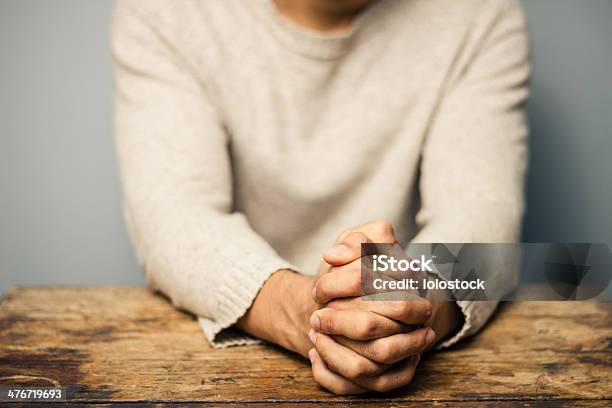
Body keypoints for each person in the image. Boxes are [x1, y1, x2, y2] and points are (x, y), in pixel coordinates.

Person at [111, 0, 529, 394]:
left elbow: (483, 212)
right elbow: (173, 215)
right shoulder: (165, 12)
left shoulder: (480, 15)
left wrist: (413, 311)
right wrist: (311, 314)